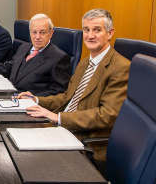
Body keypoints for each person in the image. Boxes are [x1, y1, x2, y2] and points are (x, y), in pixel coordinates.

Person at [18, 9, 130, 161]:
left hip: (83, 140)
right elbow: (67, 97)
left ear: (110, 33)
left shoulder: (121, 67)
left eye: (97, 30)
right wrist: (36, 100)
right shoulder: (85, 63)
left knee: (27, 158)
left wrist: (59, 118)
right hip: (62, 130)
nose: (90, 35)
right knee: (15, 141)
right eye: (86, 30)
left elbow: (107, 115)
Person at [0, 14, 71, 97]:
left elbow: (58, 92)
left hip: (31, 106)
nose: (37, 37)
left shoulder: (59, 58)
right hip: (9, 95)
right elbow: (8, 67)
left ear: (51, 33)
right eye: (34, 32)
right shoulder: (24, 47)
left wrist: (34, 97)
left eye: (42, 32)